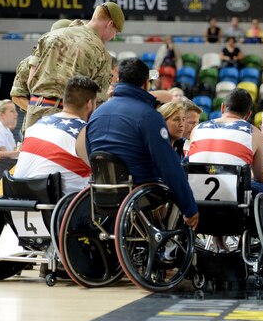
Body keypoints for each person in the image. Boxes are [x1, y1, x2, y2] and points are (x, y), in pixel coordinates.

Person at [84, 57, 198, 231]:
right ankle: (169, 245)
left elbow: (91, 154)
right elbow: (167, 164)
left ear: (119, 80)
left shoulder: (96, 114)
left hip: (103, 191)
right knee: (179, 179)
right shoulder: (149, 116)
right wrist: (189, 208)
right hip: (140, 192)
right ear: (146, 84)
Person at [26, 2, 125, 128]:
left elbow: (30, 80)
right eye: (115, 31)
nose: (114, 36)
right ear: (109, 24)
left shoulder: (50, 36)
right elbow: (96, 103)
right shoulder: (102, 54)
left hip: (34, 112)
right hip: (66, 121)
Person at [13, 76, 99, 195]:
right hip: (57, 205)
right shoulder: (83, 130)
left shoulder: (37, 125)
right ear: (89, 104)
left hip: (18, 201)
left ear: (64, 101)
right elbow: (98, 170)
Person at [188, 88, 263, 195]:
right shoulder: (253, 132)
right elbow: (261, 177)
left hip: (193, 194)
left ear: (222, 107)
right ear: (248, 114)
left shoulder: (197, 128)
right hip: (233, 199)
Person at [10, 19, 75, 113]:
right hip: (37, 122)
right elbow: (17, 96)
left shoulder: (77, 62)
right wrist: (38, 112)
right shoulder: (28, 62)